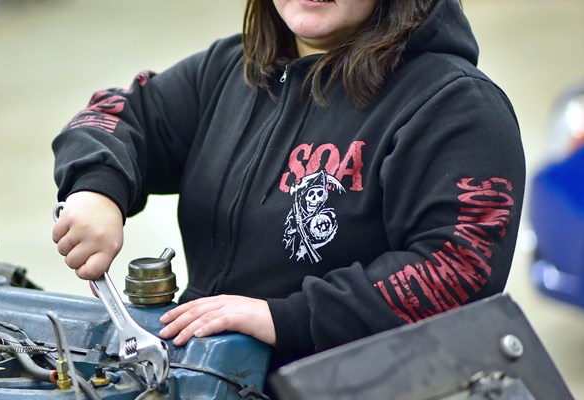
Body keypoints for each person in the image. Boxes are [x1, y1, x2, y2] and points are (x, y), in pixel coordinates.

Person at [51, 0, 525, 376]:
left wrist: (284, 319)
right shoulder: (229, 70)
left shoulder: (458, 106)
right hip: (204, 374)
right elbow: (120, 112)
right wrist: (97, 190)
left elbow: (458, 269)